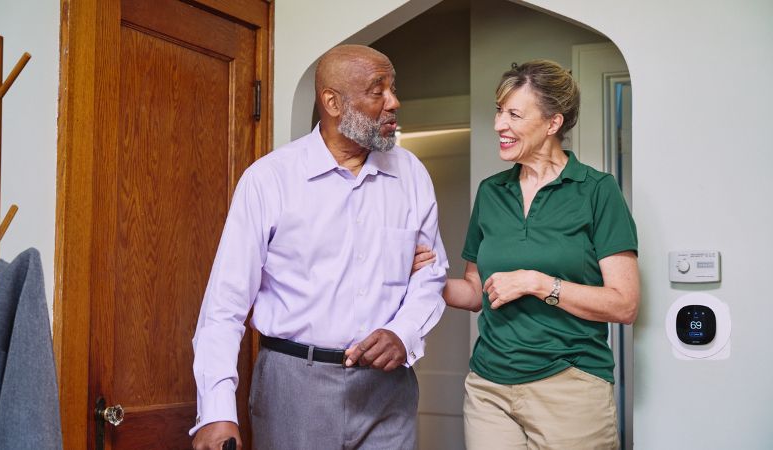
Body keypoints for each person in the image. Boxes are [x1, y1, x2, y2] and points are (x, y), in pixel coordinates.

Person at [190, 44, 448, 450]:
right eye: (377, 91)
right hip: (295, 388)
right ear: (332, 103)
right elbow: (225, 305)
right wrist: (216, 410)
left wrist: (403, 332)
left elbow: (431, 274)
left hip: (389, 393)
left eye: (393, 89)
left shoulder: (412, 174)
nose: (394, 103)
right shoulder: (269, 180)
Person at [414, 60, 640, 449]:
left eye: (514, 114)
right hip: (489, 387)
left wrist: (538, 283)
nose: (499, 124)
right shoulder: (491, 192)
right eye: (499, 111)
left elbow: (624, 304)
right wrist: (425, 277)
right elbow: (476, 291)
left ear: (553, 123)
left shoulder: (597, 191)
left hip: (570, 385)